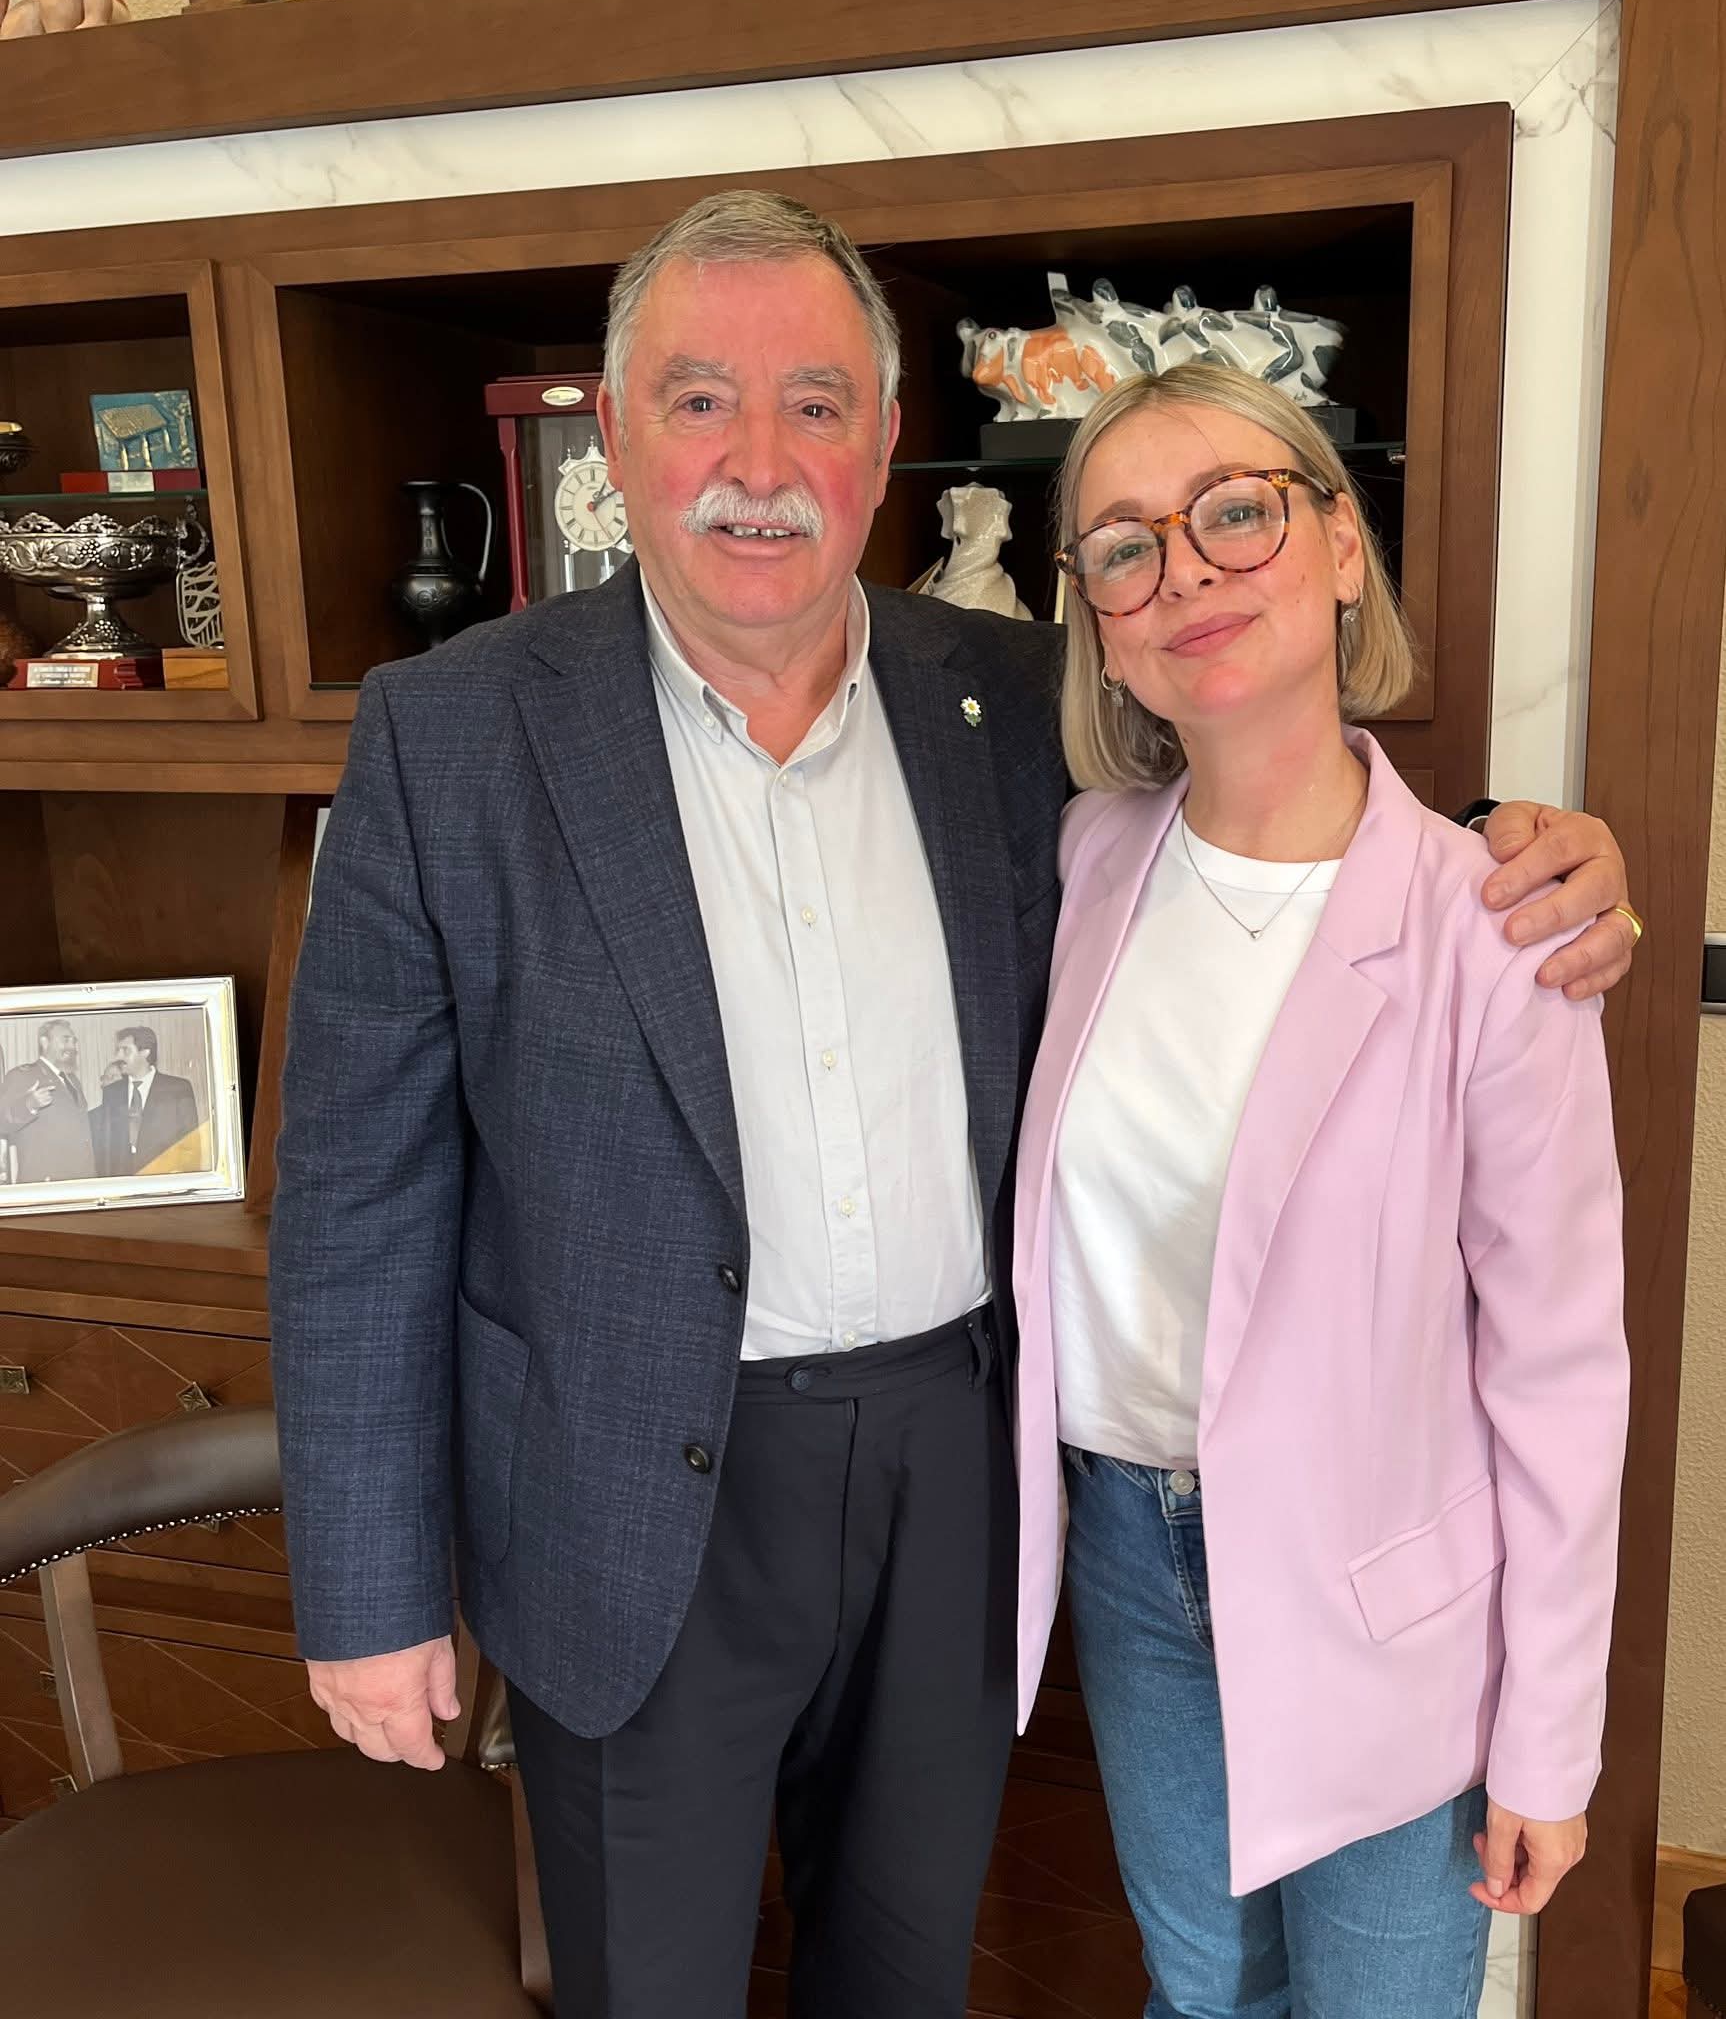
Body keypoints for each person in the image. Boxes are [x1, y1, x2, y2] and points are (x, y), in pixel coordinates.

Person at [269, 191, 1636, 2019]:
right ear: (613, 432)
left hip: (957, 1478)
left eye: (817, 404)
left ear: (887, 437)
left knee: (904, 1974)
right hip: (623, 1494)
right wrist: (369, 1591)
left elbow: (1279, 822)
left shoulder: (994, 706)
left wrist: (1514, 855)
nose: (762, 464)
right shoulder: (447, 733)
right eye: (699, 400)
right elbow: (355, 1199)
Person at [1011, 361, 1633, 2019]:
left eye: (1236, 512)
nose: (1186, 572)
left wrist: (1549, 1740)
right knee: (1202, 1995)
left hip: (1383, 1596)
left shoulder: (1496, 922)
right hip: (1131, 1557)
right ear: (1097, 624)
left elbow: (1560, 1369)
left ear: (1342, 545)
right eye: (1124, 546)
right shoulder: (1085, 860)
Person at [91, 1025, 201, 1176]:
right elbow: (106, 1148)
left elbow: (191, 1145)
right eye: (118, 1050)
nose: (118, 1057)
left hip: (163, 1179)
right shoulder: (112, 1092)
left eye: (125, 1050)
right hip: (122, 1182)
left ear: (145, 1052)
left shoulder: (178, 1089)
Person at [0, 1017, 96, 1183]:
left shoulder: (73, 1081)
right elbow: (2, 1121)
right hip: (46, 1181)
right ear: (45, 1042)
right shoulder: (23, 1075)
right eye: (65, 1040)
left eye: (74, 1041)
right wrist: (29, 1104)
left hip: (80, 1179)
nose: (72, 1047)